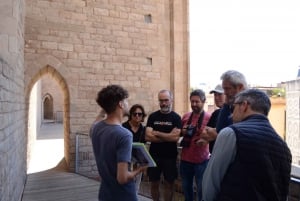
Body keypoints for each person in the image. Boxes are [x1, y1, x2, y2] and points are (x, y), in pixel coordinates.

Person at [202, 89, 292, 201]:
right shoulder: (284, 148)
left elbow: (211, 182)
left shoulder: (232, 133)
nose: (231, 114)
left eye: (233, 108)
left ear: (244, 105)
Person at [90, 84, 147, 201]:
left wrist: (105, 108)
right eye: (126, 101)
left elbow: (95, 124)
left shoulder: (96, 128)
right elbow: (122, 178)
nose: (127, 104)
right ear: (120, 104)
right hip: (123, 195)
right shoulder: (124, 134)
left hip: (105, 193)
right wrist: (140, 169)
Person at [145, 89, 182, 201]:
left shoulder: (176, 118)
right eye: (161, 101)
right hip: (154, 156)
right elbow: (147, 137)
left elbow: (175, 138)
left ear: (171, 100)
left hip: (170, 157)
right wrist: (168, 137)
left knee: (169, 184)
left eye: (166, 100)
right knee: (154, 184)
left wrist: (157, 133)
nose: (163, 103)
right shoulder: (152, 117)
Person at [202, 70, 248, 147]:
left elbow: (236, 139)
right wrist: (226, 104)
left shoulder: (248, 108)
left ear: (240, 87)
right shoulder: (228, 108)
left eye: (227, 89)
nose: (225, 93)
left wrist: (216, 135)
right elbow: (220, 129)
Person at [179, 89, 211, 201]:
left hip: (201, 161)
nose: (194, 104)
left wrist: (205, 140)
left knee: (202, 190)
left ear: (203, 102)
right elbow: (178, 133)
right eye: (192, 101)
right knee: (186, 188)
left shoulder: (209, 118)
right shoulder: (186, 117)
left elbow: (214, 137)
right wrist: (183, 131)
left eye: (197, 102)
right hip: (185, 159)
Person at [122, 104, 147, 194]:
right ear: (130, 115)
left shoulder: (143, 129)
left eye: (139, 114)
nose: (137, 116)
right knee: (125, 181)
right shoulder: (124, 127)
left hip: (138, 159)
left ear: (142, 116)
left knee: (137, 183)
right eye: (134, 114)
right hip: (125, 159)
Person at [206, 85, 225, 152]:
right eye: (215, 95)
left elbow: (229, 137)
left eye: (219, 95)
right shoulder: (216, 113)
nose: (216, 98)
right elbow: (204, 133)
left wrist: (213, 132)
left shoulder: (233, 113)